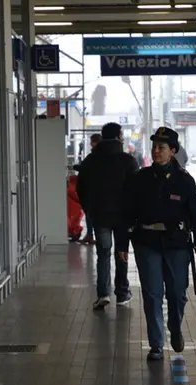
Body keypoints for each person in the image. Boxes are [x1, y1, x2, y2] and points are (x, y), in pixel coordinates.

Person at [117, 127, 196, 361]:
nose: (156, 151)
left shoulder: (184, 181)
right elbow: (125, 214)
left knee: (177, 293)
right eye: (154, 146)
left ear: (172, 151)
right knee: (152, 294)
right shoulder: (139, 179)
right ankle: (156, 344)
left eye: (162, 147)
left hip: (177, 244)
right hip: (147, 242)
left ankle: (175, 327)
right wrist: (122, 245)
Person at [77, 123, 139, 309]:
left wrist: (89, 209)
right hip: (122, 217)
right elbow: (135, 191)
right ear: (119, 136)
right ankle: (121, 293)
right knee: (122, 254)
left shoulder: (90, 160)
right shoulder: (128, 161)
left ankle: (103, 293)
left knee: (103, 254)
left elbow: (81, 188)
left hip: (100, 215)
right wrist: (133, 214)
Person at [81, 133, 102, 245]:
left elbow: (84, 168)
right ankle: (91, 235)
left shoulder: (94, 156)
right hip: (97, 192)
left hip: (92, 191)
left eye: (92, 141)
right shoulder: (103, 156)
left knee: (91, 214)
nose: (90, 144)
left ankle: (91, 235)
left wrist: (75, 167)